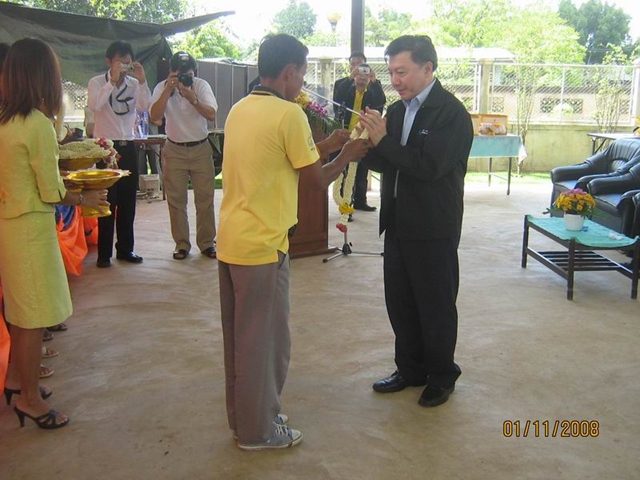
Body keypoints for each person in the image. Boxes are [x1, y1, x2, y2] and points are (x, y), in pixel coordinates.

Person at [217, 33, 369, 451]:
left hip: (233, 240)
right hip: (263, 246)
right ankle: (258, 433)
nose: (303, 82)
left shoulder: (241, 109)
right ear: (288, 72)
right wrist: (347, 155)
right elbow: (315, 180)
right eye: (302, 73)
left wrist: (329, 144)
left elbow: (281, 156)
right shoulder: (289, 114)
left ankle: (249, 417)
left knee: (242, 339)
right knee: (264, 344)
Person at [358, 35, 473, 407]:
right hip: (398, 222)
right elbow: (388, 161)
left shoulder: (449, 113)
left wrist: (384, 142)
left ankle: (441, 376)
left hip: (433, 225)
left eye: (402, 72)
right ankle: (410, 369)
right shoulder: (397, 111)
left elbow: (428, 166)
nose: (395, 80)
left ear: (428, 68)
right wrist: (364, 144)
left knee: (435, 304)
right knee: (401, 302)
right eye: (391, 72)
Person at [0, 38, 109, 429]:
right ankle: (29, 400)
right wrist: (84, 195)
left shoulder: (6, 120)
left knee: (20, 312)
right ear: (43, 76)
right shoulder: (37, 125)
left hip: (11, 226)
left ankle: (16, 380)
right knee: (33, 318)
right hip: (30, 229)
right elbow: (51, 191)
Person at [88, 40, 151, 268]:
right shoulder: (97, 82)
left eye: (127, 63)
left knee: (127, 201)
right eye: (119, 63)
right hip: (105, 147)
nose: (124, 67)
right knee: (107, 199)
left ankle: (125, 249)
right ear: (109, 62)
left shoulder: (134, 83)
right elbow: (95, 105)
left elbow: (144, 107)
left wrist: (142, 81)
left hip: (128, 144)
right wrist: (112, 82)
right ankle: (104, 254)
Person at [150, 52, 218, 260]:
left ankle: (207, 243)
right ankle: (181, 244)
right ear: (172, 71)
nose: (184, 78)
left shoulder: (201, 85)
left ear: (194, 72)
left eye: (188, 74)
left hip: (200, 148)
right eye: (179, 74)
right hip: (174, 149)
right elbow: (154, 117)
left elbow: (212, 114)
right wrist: (168, 90)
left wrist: (193, 98)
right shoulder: (162, 88)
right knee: (176, 200)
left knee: (205, 199)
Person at [333, 59, 386, 211]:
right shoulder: (343, 85)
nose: (362, 75)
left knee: (362, 169)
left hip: (363, 135)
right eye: (358, 70)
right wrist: (350, 77)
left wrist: (374, 82)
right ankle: (345, 205)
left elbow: (380, 102)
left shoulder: (374, 88)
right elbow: (338, 98)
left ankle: (360, 201)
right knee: (345, 171)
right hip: (346, 134)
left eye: (365, 71)